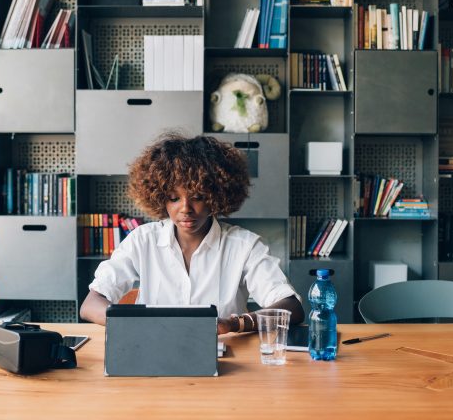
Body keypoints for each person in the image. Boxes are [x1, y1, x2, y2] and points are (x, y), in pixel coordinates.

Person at [80, 133, 304, 334]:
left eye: (197, 196)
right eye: (174, 198)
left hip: (225, 359)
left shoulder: (244, 246)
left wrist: (234, 324)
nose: (185, 208)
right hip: (154, 354)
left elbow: (291, 307)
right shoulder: (142, 240)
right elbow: (91, 305)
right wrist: (137, 323)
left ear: (216, 196)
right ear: (159, 197)